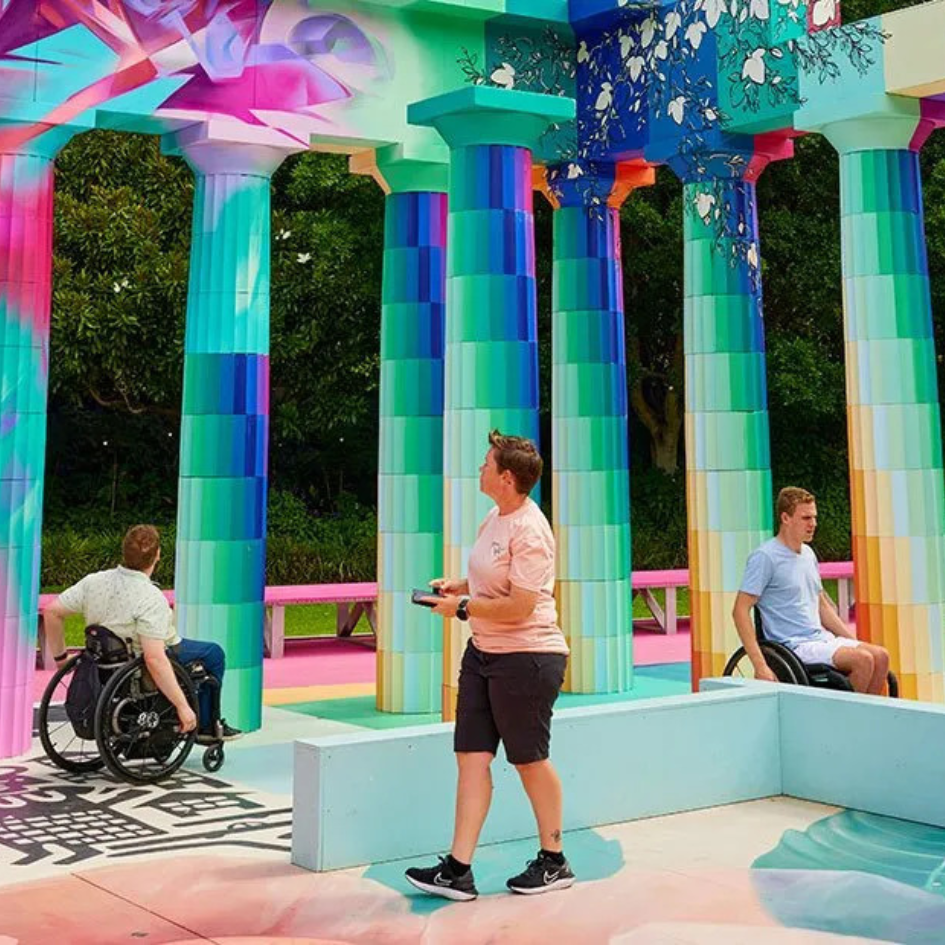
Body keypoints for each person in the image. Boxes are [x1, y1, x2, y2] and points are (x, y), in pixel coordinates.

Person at [404, 431, 574, 901]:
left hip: (528, 657)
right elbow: (492, 581)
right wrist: (459, 586)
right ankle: (457, 870)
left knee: (528, 760)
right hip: (483, 654)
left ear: (506, 477)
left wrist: (461, 610)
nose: (478, 469)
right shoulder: (494, 518)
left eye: (486, 464)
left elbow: (520, 605)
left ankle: (555, 860)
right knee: (471, 758)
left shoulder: (531, 531)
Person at [43, 524, 242, 741]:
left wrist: (61, 659)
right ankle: (205, 724)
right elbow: (154, 658)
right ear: (157, 556)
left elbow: (52, 612)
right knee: (213, 653)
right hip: (143, 661)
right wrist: (183, 707)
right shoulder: (150, 597)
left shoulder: (94, 582)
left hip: (104, 660)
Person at [732, 487, 891, 695]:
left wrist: (851, 640)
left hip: (820, 639)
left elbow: (822, 606)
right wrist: (760, 665)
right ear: (785, 518)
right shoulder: (765, 557)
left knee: (881, 656)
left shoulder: (808, 554)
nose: (813, 524)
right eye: (806, 518)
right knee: (863, 660)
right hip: (794, 645)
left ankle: (864, 718)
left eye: (814, 517)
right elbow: (740, 611)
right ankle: (844, 722)